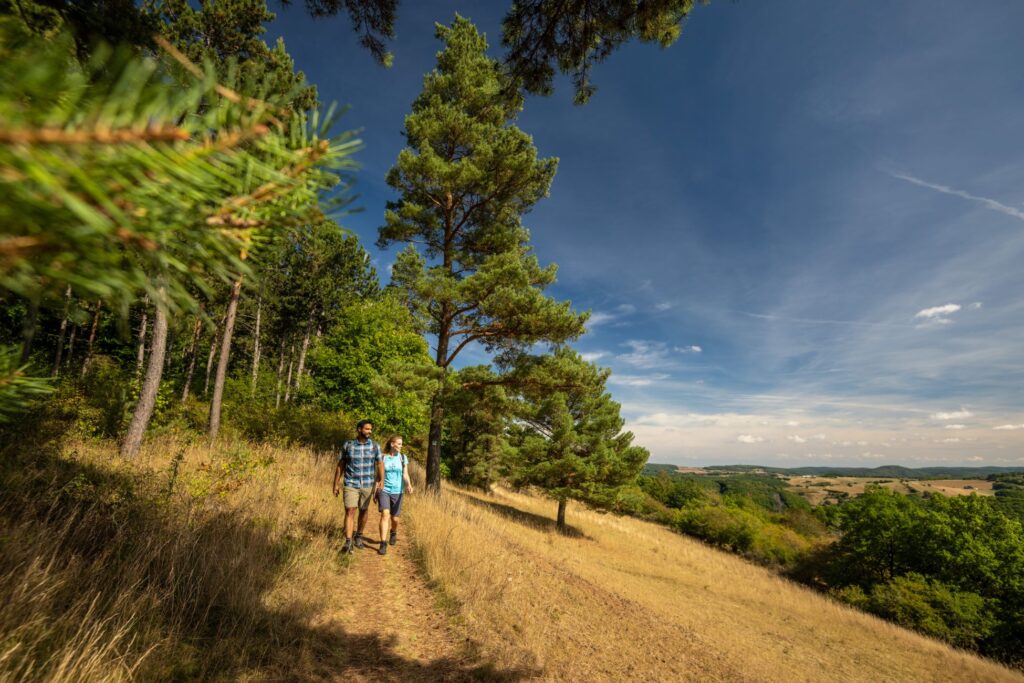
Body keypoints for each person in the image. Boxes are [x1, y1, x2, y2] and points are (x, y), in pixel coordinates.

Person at [333, 419, 381, 554]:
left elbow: (380, 464)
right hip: (350, 484)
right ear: (359, 429)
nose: (369, 432)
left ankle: (359, 535)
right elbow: (340, 465)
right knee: (350, 511)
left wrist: (380, 481)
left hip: (367, 484)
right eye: (367, 429)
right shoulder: (348, 445)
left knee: (364, 510)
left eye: (371, 429)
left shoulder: (375, 446)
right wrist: (335, 483)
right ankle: (348, 542)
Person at [375, 434, 413, 556]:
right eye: (399, 444)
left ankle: (393, 531)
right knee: (385, 515)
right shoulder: (383, 457)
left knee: (395, 518)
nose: (401, 446)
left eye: (401, 444)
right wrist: (375, 490)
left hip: (398, 491)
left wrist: (408, 485)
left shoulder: (402, 457)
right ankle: (383, 543)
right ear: (392, 444)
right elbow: (378, 476)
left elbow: (405, 474)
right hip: (384, 490)